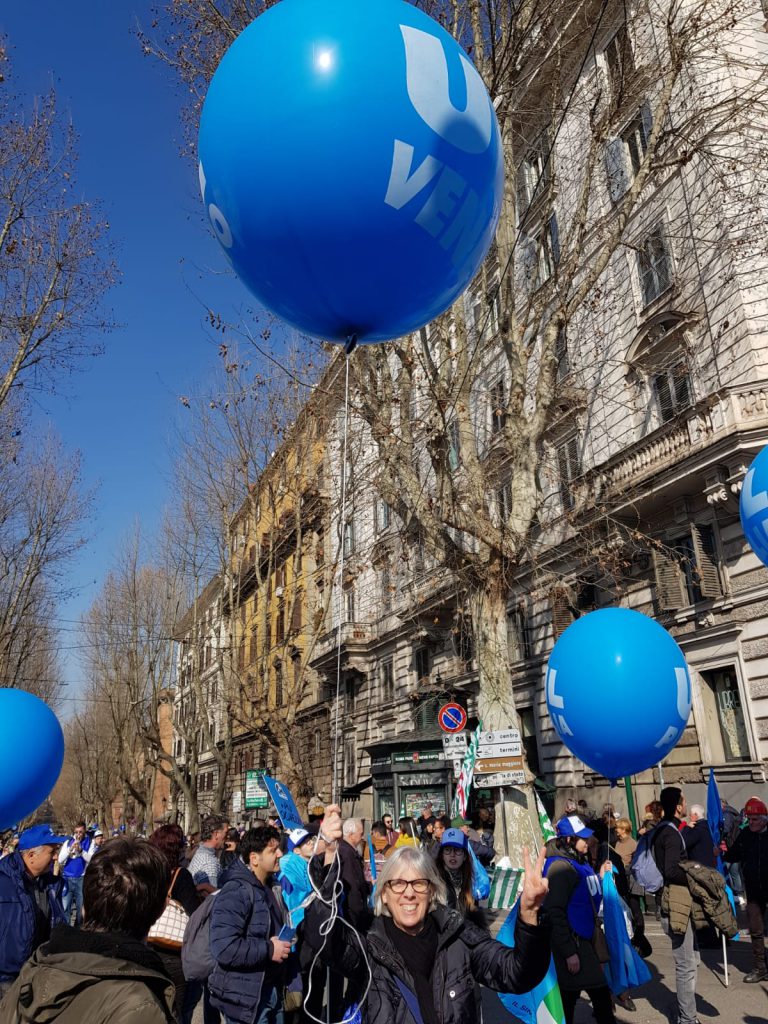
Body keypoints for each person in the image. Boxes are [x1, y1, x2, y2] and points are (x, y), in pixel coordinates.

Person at [304, 804, 550, 1024]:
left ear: (431, 891)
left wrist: (530, 916)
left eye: (418, 883)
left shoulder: (458, 935)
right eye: (398, 884)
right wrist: (327, 855)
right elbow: (322, 937)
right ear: (384, 894)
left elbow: (518, 973)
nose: (409, 893)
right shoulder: (369, 945)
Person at [0, 837, 175, 1023]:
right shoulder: (141, 1006)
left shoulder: (32, 972)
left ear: (83, 907)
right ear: (161, 909)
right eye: (52, 852)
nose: (55, 857)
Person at [208, 826, 291, 1024]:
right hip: (246, 999)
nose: (280, 854)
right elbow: (224, 948)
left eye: (279, 849)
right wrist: (269, 949)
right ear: (254, 858)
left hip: (271, 990)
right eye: (273, 851)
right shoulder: (236, 890)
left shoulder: (271, 886)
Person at [543, 815, 616, 1024]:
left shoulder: (578, 861)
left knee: (570, 997)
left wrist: (600, 877)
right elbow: (555, 911)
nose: (588, 841)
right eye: (582, 838)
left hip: (583, 940)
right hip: (574, 942)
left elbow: (585, 899)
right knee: (596, 995)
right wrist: (569, 952)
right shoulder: (560, 867)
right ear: (569, 840)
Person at [0, 824, 69, 997]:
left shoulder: (49, 885)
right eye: (52, 852)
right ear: (31, 855)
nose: (56, 857)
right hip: (6, 981)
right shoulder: (3, 883)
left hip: (37, 975)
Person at [148, 823, 202, 1022]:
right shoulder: (180, 875)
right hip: (174, 953)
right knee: (178, 1010)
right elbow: (194, 913)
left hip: (148, 946)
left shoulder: (147, 873)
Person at [653, 787, 698, 1024]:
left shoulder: (665, 829)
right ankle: (687, 1019)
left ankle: (686, 1012)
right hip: (675, 902)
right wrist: (693, 875)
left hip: (675, 900)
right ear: (678, 806)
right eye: (684, 801)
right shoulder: (669, 833)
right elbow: (671, 869)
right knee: (686, 963)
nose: (686, 804)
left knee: (691, 960)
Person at [723, 795, 768, 983]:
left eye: (755, 819)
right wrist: (721, 852)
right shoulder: (745, 834)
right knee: (756, 929)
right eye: (749, 819)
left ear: (764, 819)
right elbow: (734, 855)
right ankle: (760, 968)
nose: (751, 823)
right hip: (753, 889)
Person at [613, 817, 652, 959]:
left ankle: (640, 940)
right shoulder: (617, 843)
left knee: (635, 911)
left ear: (624, 829)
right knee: (626, 910)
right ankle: (632, 938)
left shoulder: (633, 844)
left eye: (618, 827)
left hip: (632, 881)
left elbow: (638, 863)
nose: (616, 830)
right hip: (621, 880)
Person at [434, 828, 487, 928]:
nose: (452, 855)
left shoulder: (469, 879)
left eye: (457, 850)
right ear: (442, 855)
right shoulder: (435, 881)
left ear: (465, 856)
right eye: (447, 850)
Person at [58, 820, 94, 925]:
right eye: (76, 832)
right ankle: (66, 930)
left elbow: (91, 860)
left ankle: (78, 930)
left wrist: (81, 851)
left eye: (81, 832)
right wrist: (70, 849)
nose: (78, 835)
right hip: (67, 878)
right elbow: (60, 860)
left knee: (80, 909)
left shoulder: (90, 842)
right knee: (65, 908)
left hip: (81, 879)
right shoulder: (68, 842)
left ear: (84, 831)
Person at [188, 815, 229, 894]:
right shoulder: (209, 863)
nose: (228, 836)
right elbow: (212, 897)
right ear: (216, 834)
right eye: (226, 832)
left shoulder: (200, 852)